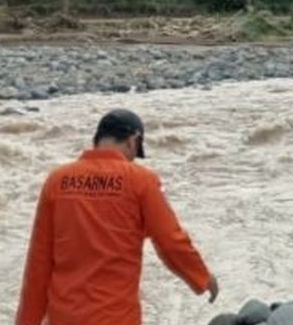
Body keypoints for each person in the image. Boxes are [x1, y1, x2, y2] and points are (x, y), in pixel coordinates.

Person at [16, 109, 218, 325]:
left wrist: (26, 321)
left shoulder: (57, 180)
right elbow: (170, 240)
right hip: (116, 317)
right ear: (133, 141)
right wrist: (202, 277)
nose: (133, 159)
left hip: (64, 317)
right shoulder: (141, 181)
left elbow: (39, 262)